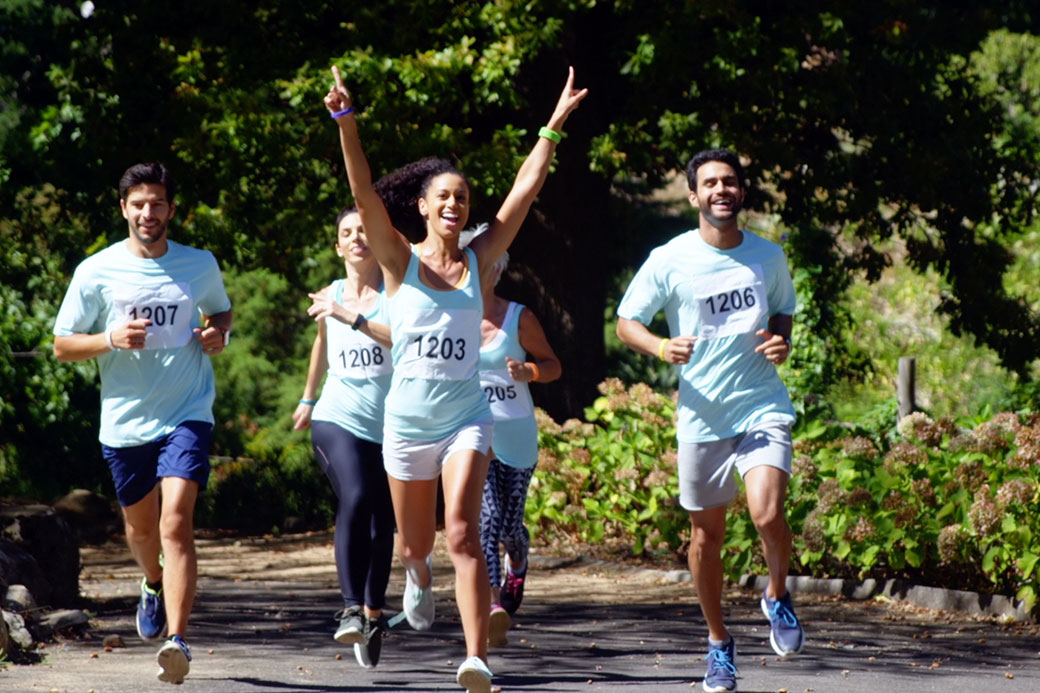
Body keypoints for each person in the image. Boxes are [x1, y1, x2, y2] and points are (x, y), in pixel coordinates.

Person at [323, 64, 586, 692]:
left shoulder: (479, 257)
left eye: (462, 198)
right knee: (416, 549)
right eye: (442, 196)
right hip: (407, 425)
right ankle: (416, 579)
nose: (453, 204)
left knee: (464, 533)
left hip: (468, 417)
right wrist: (345, 121)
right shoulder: (397, 261)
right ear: (420, 206)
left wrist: (551, 128)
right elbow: (362, 191)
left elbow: (524, 192)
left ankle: (475, 659)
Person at [615, 149, 804, 693]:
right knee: (707, 536)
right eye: (710, 184)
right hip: (701, 416)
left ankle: (775, 594)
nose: (721, 190)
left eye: (730, 182)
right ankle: (719, 645)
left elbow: (782, 309)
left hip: (761, 403)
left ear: (741, 192)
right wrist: (659, 346)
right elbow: (627, 321)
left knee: (768, 514)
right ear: (694, 196)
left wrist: (781, 339)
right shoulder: (670, 258)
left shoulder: (767, 256)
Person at [53, 162, 232, 685]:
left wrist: (217, 334)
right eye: (139, 204)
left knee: (176, 521)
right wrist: (110, 338)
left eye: (157, 204)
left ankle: (177, 641)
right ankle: (151, 580)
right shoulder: (96, 270)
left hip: (188, 411)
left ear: (172, 210)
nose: (148, 213)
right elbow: (63, 345)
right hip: (126, 422)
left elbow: (220, 314)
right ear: (124, 209)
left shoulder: (199, 264)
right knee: (141, 528)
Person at [291, 206, 396, 669]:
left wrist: (351, 317)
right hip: (336, 416)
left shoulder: (399, 293)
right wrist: (309, 398)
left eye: (364, 231)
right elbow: (321, 342)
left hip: (392, 424)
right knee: (354, 497)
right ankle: (351, 607)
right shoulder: (328, 294)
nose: (357, 238)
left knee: (383, 524)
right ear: (338, 246)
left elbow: (405, 339)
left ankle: (374, 613)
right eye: (347, 233)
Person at [459, 227, 562, 648]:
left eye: (481, 264)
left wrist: (530, 372)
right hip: (471, 433)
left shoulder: (520, 317)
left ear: (496, 269)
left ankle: (518, 555)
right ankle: (493, 604)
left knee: (508, 524)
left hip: (516, 434)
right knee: (484, 519)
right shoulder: (449, 319)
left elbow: (553, 364)